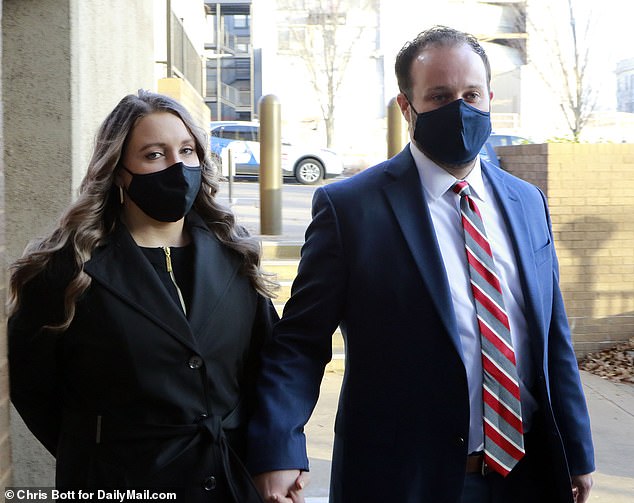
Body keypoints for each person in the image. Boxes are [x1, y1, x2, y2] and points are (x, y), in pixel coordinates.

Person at [248, 26, 595, 503]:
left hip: (528, 474)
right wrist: (276, 446)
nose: (460, 108)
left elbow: (552, 333)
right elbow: (301, 344)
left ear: (490, 97)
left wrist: (577, 452)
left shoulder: (527, 201)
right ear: (406, 107)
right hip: (405, 480)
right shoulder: (350, 209)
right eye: (440, 96)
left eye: (472, 94)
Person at [8, 91, 282, 502]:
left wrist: (270, 458)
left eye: (187, 151)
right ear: (119, 171)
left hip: (229, 481)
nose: (178, 166)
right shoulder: (66, 270)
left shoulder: (235, 257)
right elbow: (34, 388)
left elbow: (267, 369)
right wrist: (101, 455)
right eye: (154, 155)